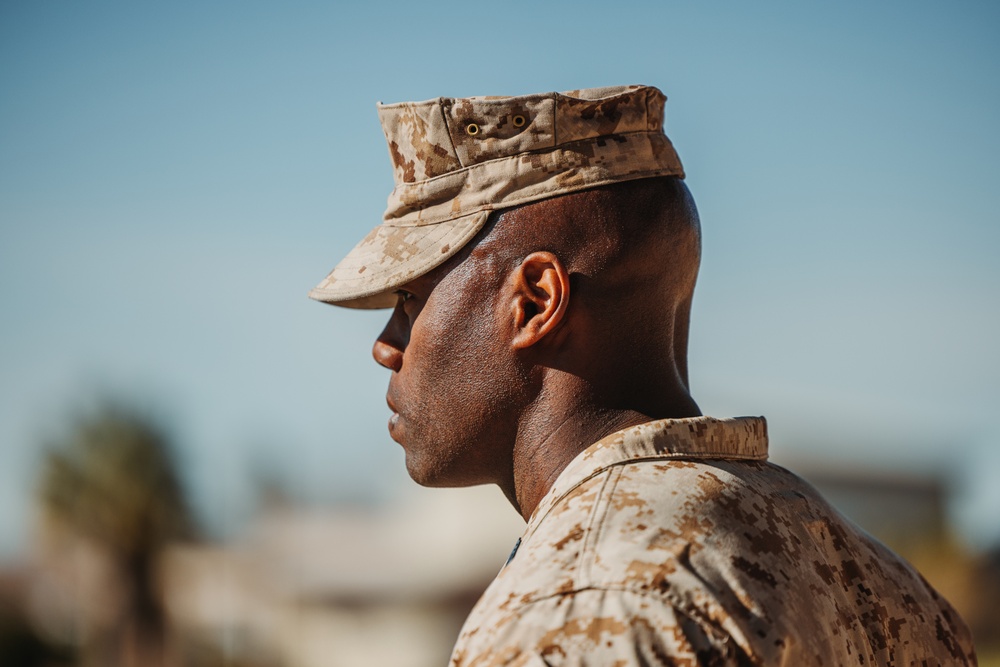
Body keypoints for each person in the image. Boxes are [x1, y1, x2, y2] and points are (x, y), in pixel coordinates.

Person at [310, 85, 976, 666]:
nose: (386, 346)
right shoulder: (885, 584)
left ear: (537, 302)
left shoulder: (576, 612)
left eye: (412, 302)